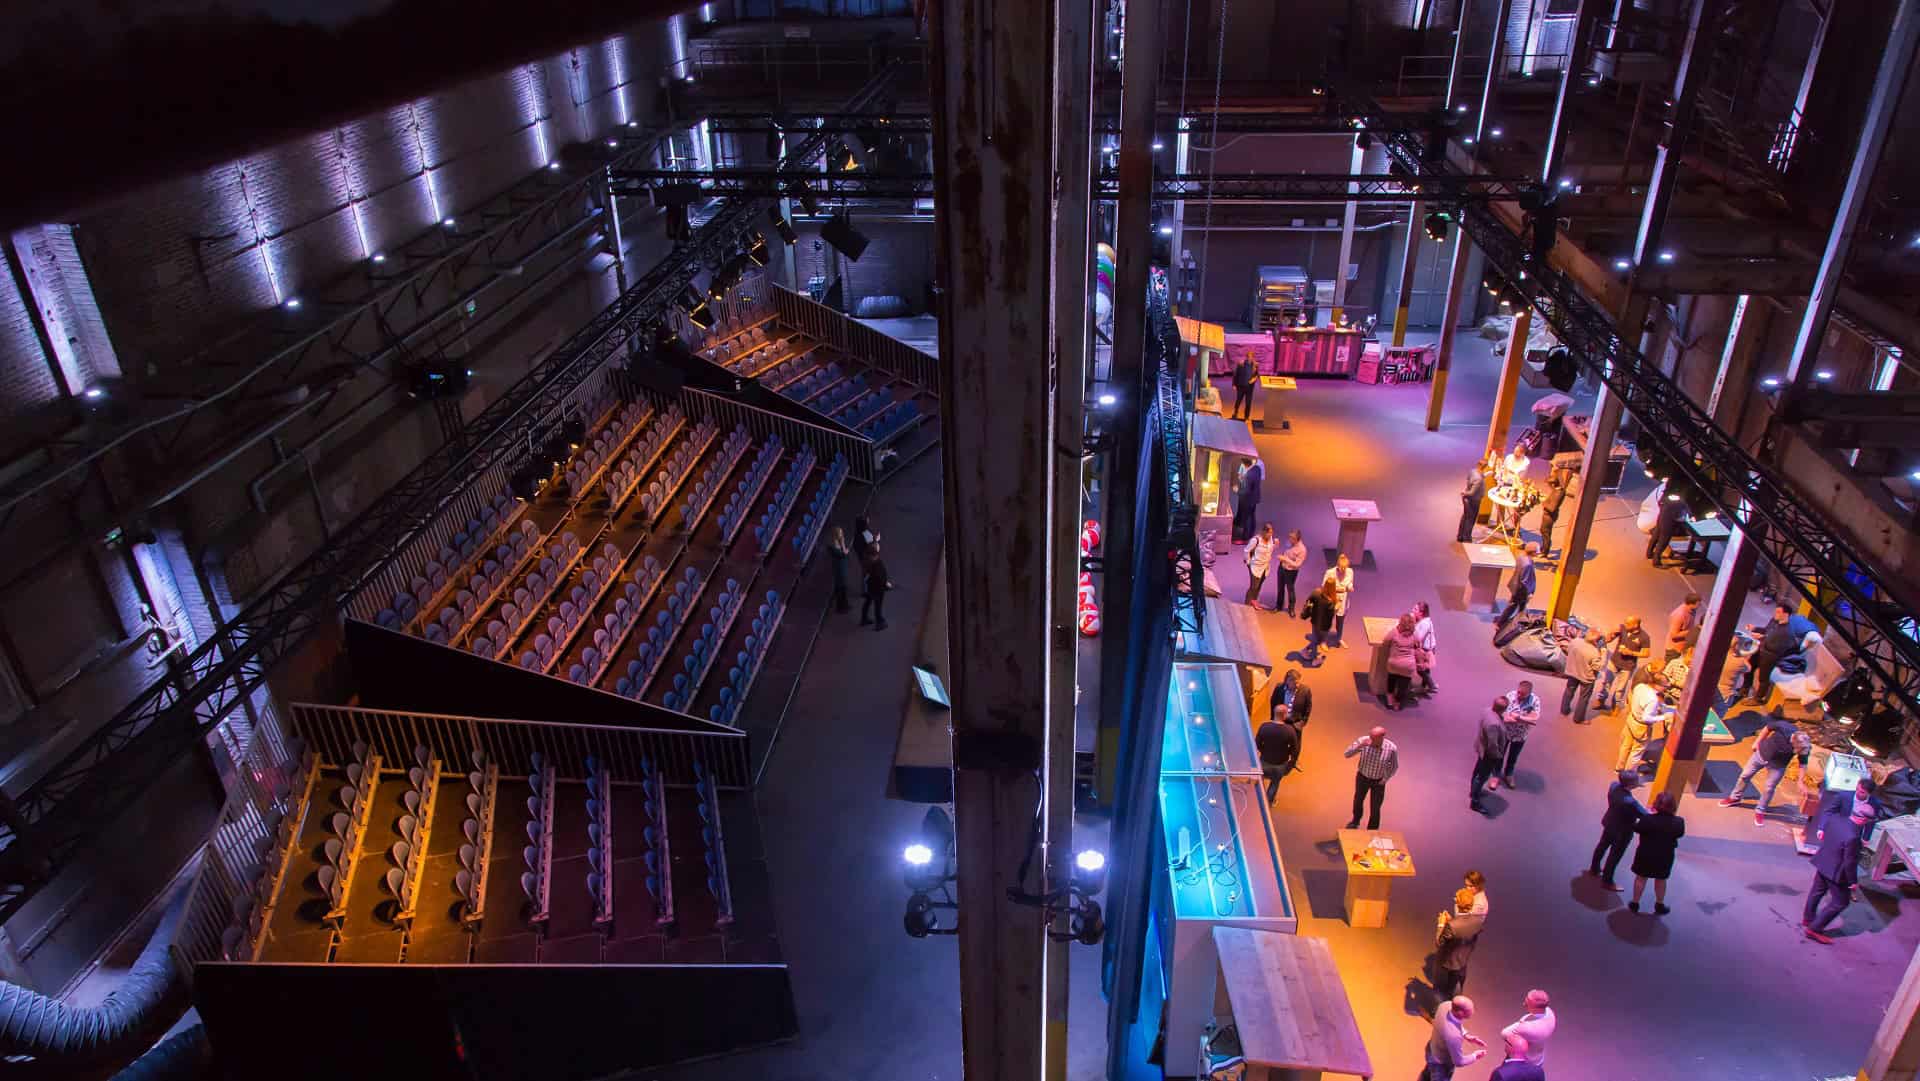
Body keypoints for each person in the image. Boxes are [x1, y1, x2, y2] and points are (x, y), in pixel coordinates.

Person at [1804, 800, 1875, 943]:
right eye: (1869, 820)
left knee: (1816, 892)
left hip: (1823, 862)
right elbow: (1849, 862)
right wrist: (1853, 882)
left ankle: (1808, 918)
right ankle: (1814, 929)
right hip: (1836, 872)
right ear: (1862, 819)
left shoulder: (1837, 820)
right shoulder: (1853, 837)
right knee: (1840, 902)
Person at [1719, 717, 1812, 826]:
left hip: (1777, 765)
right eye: (1797, 750)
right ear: (1793, 741)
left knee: (1769, 788)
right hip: (1761, 755)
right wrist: (1757, 742)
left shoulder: (1804, 747)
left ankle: (1760, 810)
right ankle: (1735, 798)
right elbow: (1767, 728)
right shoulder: (1784, 727)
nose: (1800, 752)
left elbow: (1803, 764)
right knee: (1745, 775)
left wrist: (1800, 781)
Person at [1629, 790, 1685, 914]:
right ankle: (1659, 904)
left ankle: (1635, 903)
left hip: (1645, 853)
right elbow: (1680, 834)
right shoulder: (1679, 822)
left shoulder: (1647, 819)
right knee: (1661, 880)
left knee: (1641, 878)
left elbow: (1636, 828)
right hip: (1664, 856)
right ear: (1673, 806)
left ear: (1656, 804)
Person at [1590, 769, 1647, 890]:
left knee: (1602, 846)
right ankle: (1607, 880)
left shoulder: (1614, 786)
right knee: (1615, 855)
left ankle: (1594, 868)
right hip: (1622, 832)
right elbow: (1644, 815)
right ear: (1631, 785)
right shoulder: (1630, 802)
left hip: (1610, 822)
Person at [1433, 888, 1487, 998]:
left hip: (1446, 963)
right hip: (1462, 961)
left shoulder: (1452, 926)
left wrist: (1441, 924)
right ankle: (1454, 1008)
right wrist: (1452, 921)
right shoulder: (1478, 921)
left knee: (1439, 989)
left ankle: (1435, 1012)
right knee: (1455, 987)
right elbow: (1464, 930)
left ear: (1458, 904)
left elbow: (1439, 942)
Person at [1343, 726, 1398, 830]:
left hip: (1378, 782)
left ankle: (1372, 830)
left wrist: (1385, 779)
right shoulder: (1363, 741)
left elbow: (1394, 766)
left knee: (1375, 807)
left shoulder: (1391, 748)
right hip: (1362, 777)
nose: (1370, 739)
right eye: (1370, 736)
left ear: (1382, 737)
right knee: (1358, 800)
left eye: (1374, 738)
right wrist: (1360, 746)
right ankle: (1355, 821)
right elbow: (1347, 754)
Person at [1616, 670, 1672, 773]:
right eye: (1666, 687)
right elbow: (1647, 718)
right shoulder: (1653, 699)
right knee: (1637, 752)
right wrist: (1664, 716)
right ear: (1657, 685)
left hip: (1631, 719)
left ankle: (1619, 769)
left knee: (1625, 746)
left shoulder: (1640, 686)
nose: (1666, 690)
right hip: (1641, 727)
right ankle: (1629, 776)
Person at [1595, 617, 1651, 712]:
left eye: (1628, 624)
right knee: (1606, 683)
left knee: (1620, 689)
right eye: (1625, 622)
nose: (1625, 625)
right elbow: (1608, 640)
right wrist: (1611, 633)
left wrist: (1631, 653)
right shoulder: (1622, 628)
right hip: (1614, 661)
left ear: (1635, 625)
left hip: (1628, 667)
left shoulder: (1644, 637)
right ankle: (1601, 701)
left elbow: (1646, 653)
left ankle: (1615, 707)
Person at [1424, 996, 1488, 1081]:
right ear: (1461, 1013)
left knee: (1428, 1071)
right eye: (1470, 1010)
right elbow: (1459, 1062)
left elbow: (1453, 1022)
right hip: (1441, 1064)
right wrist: (1475, 1055)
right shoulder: (1454, 1036)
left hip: (1431, 1048)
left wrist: (1465, 1035)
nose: (1473, 1011)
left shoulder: (1445, 1005)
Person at [1745, 605, 1798, 704]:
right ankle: (1744, 689)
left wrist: (1762, 638)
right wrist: (1756, 628)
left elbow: (1776, 646)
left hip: (1770, 655)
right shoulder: (1774, 621)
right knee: (1749, 667)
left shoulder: (1788, 631)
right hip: (1761, 649)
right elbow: (1766, 631)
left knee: (1763, 677)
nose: (1775, 614)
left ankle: (1758, 698)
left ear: (1786, 614)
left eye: (1778, 612)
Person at [1470, 698, 1510, 814]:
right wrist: (1498, 756)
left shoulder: (1487, 711)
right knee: (1481, 777)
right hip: (1488, 754)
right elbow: (1493, 745)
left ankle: (1473, 792)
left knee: (1477, 771)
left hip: (1481, 748)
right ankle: (1475, 802)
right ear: (1504, 709)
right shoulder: (1494, 724)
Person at [1499, 680, 1541, 788]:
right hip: (1506, 731)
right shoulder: (1510, 695)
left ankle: (1508, 774)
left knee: (1513, 756)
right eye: (1518, 692)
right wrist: (1508, 718)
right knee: (1500, 754)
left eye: (1522, 694)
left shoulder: (1534, 701)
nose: (1519, 695)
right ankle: (1496, 775)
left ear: (1529, 694)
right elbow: (1502, 711)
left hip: (1520, 735)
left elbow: (1534, 719)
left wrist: (1519, 718)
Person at [1500, 989, 1555, 1069]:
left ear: (1536, 1008)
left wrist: (1519, 1023)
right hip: (1537, 1057)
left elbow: (1504, 1034)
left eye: (1528, 1002)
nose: (1524, 1003)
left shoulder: (1526, 1027)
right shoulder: (1550, 1013)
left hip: (1523, 1058)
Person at [1255, 711, 1301, 802]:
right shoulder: (1290, 731)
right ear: (1284, 715)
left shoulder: (1264, 727)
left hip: (1264, 761)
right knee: (1275, 783)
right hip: (1280, 765)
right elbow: (1294, 751)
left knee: (1259, 781)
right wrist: (1289, 767)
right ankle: (1268, 802)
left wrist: (1263, 751)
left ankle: (1257, 800)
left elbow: (1257, 744)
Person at [1561, 627, 1604, 723]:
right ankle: (1578, 719)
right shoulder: (1594, 652)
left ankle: (1564, 710)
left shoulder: (1575, 641)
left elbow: (1568, 651)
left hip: (1572, 672)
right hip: (1586, 678)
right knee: (1583, 698)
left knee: (1569, 691)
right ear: (1596, 640)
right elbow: (1597, 667)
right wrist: (1603, 655)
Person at [1384, 613, 1425, 709]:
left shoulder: (1395, 632)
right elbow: (1419, 642)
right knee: (1403, 686)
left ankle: (1390, 700)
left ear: (1400, 623)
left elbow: (1385, 641)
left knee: (1392, 680)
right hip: (1408, 666)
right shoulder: (1414, 634)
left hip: (1394, 664)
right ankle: (1397, 702)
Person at [1494, 543, 1538, 629]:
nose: (1538, 554)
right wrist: (1528, 594)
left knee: (1521, 606)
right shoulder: (1528, 564)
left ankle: (1520, 620)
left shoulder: (1521, 557)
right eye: (1536, 552)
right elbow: (1525, 581)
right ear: (1532, 552)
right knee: (1513, 606)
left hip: (1515, 585)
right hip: (1521, 590)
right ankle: (1500, 623)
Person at [1300, 580, 1337, 667]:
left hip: (1315, 621)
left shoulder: (1316, 592)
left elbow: (1308, 601)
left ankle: (1306, 651)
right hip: (1324, 625)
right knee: (1317, 640)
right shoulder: (1330, 601)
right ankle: (1314, 659)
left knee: (1315, 639)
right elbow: (1331, 615)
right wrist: (1336, 607)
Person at [1647, 491, 1689, 567]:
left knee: (1657, 534)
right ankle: (1656, 561)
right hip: (1670, 519)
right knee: (1664, 539)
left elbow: (1661, 501)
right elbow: (1682, 514)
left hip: (1663, 513)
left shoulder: (1672, 490)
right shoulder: (1683, 499)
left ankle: (1649, 553)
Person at [1322, 553, 1355, 647]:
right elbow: (1324, 586)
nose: (1343, 571)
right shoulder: (1330, 572)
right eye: (1341, 569)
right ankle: (1324, 641)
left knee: (1340, 621)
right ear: (1337, 566)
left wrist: (1350, 587)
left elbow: (1350, 583)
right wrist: (1337, 589)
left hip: (1343, 600)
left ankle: (1339, 638)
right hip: (1332, 599)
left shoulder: (1350, 571)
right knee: (1328, 621)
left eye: (1345, 569)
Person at [1535, 468, 1569, 556]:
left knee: (1546, 533)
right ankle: (1543, 548)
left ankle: (1544, 552)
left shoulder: (1559, 493)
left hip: (1549, 516)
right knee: (1543, 531)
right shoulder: (1557, 489)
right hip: (1547, 515)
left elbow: (1552, 508)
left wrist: (1543, 502)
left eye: (1550, 484)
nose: (1549, 486)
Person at [1231, 458, 1265, 544]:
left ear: (1245, 465)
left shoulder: (1249, 475)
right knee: (1252, 516)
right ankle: (1251, 534)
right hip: (1255, 497)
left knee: (1247, 519)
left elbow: (1246, 491)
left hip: (1248, 499)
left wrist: (1237, 490)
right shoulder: (1257, 468)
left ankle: (1245, 539)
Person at [1274, 528, 1308, 615]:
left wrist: (1285, 559)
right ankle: (1278, 606)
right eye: (1289, 537)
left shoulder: (1302, 550)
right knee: (1280, 588)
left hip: (1291, 572)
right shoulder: (1289, 543)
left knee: (1290, 589)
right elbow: (1285, 551)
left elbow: (1297, 564)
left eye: (1292, 538)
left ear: (1297, 539)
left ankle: (1291, 608)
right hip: (1282, 568)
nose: (1289, 540)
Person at [1243, 523, 1276, 608]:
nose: (1271, 535)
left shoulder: (1270, 539)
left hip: (1265, 567)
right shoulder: (1256, 540)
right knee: (1253, 586)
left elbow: (1270, 549)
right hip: (1255, 567)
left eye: (1271, 533)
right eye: (1269, 533)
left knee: (1259, 586)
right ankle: (1246, 605)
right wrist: (1248, 562)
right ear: (1264, 532)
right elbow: (1246, 551)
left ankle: (1254, 601)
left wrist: (1275, 545)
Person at [859, 545, 892, 631]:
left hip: (871, 587)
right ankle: (879, 623)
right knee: (878, 606)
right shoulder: (876, 564)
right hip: (877, 589)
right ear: (873, 555)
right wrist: (886, 584)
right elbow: (880, 577)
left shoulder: (867, 562)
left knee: (868, 602)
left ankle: (864, 619)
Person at [1412, 601, 1439, 695]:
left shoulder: (1424, 624)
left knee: (1420, 669)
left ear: (1421, 612)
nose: (1412, 610)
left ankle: (1432, 685)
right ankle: (1424, 687)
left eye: (1415, 609)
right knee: (1425, 669)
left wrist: (1412, 625)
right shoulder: (1423, 621)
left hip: (1425, 650)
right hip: (1427, 648)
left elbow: (1418, 638)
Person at [1666, 593, 1702, 661]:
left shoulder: (1692, 611)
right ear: (1691, 603)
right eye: (1698, 604)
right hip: (1674, 650)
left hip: (1682, 647)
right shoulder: (1679, 615)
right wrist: (1692, 631)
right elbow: (1674, 635)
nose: (1699, 606)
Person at [825, 527, 853, 613]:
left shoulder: (838, 543)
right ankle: (840, 608)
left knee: (844, 587)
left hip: (842, 567)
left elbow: (845, 554)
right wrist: (844, 545)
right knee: (840, 589)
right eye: (840, 533)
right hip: (838, 569)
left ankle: (845, 605)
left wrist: (844, 547)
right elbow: (844, 554)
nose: (842, 535)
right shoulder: (832, 547)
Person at [1458, 466, 1489, 543]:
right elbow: (1471, 493)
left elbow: (1469, 480)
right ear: (1484, 468)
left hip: (1467, 500)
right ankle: (1467, 539)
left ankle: (1460, 536)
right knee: (1470, 520)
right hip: (1473, 501)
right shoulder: (1479, 479)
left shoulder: (1473, 471)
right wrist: (1464, 493)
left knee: (1465, 517)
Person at [1230, 355, 1257, 420]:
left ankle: (1246, 416)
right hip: (1241, 386)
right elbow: (1235, 375)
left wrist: (1254, 379)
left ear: (1253, 358)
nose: (1250, 359)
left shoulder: (1255, 366)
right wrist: (1234, 384)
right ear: (1246, 357)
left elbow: (1256, 375)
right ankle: (1235, 412)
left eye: (1251, 357)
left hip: (1249, 388)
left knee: (1248, 403)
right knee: (1238, 401)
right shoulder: (1241, 364)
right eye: (1249, 357)